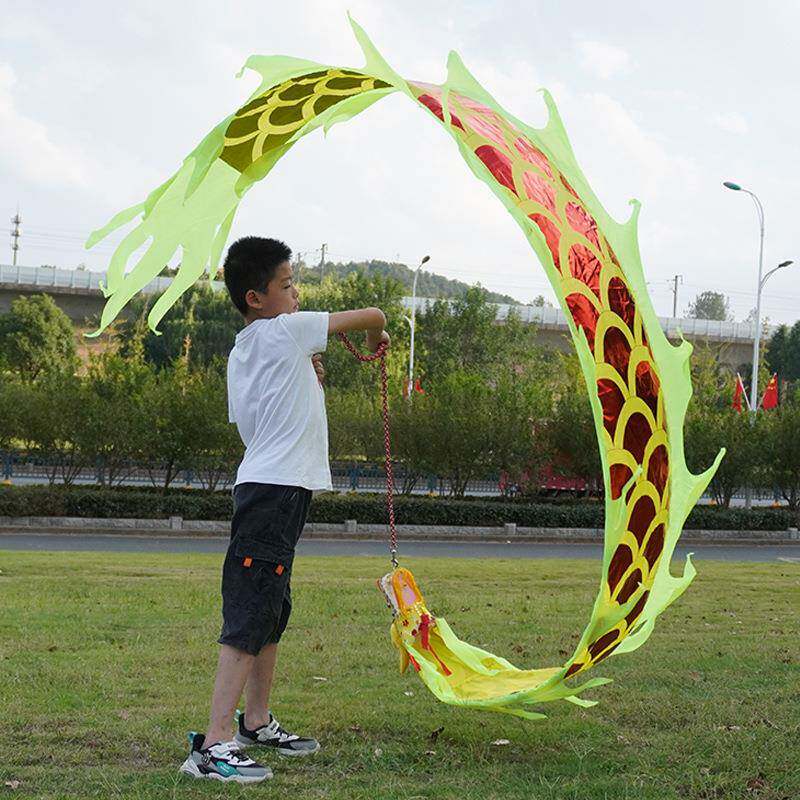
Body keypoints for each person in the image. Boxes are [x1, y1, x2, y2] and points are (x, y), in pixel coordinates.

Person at [180, 236, 389, 783]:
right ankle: (214, 745)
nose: (297, 293)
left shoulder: (246, 347)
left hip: (273, 488)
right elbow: (375, 313)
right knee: (251, 612)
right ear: (256, 296)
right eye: (288, 284)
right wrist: (378, 335)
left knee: (272, 610)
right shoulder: (286, 331)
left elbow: (259, 420)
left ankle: (255, 722)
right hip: (273, 492)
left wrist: (306, 376)